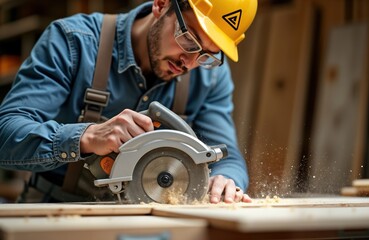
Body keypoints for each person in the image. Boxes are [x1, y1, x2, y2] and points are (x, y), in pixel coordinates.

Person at [0, 0, 257, 203]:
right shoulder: (73, 41)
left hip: (150, 217)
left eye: (206, 55)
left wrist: (227, 179)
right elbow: (6, 133)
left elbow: (227, 155)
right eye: (189, 40)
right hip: (56, 207)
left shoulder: (210, 77)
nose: (188, 63)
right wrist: (86, 137)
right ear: (161, 4)